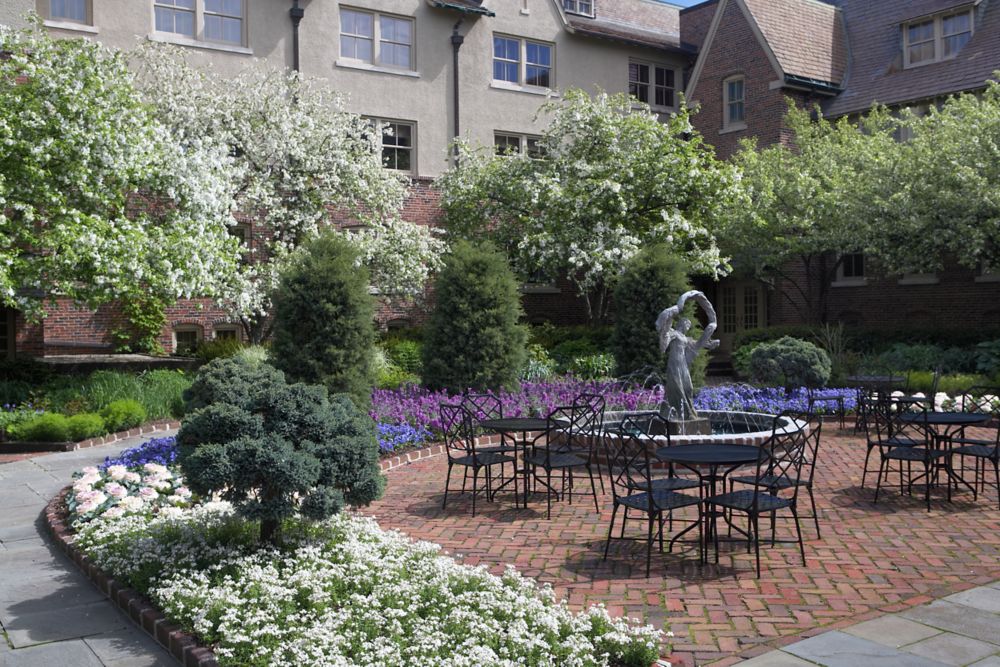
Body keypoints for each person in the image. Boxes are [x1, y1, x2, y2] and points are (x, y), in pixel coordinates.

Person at [656, 290, 719, 422]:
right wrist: (668, 318)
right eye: (685, 324)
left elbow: (698, 343)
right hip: (674, 363)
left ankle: (684, 410)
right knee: (677, 387)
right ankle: (682, 413)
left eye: (688, 326)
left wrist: (711, 344)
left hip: (682, 363)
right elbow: (665, 335)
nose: (687, 327)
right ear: (680, 324)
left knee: (688, 387)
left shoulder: (685, 338)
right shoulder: (673, 333)